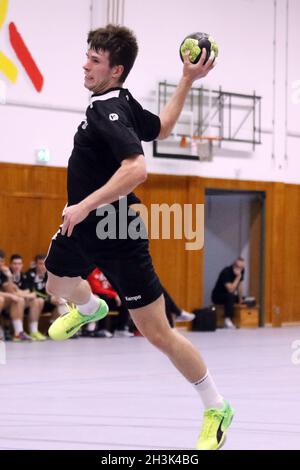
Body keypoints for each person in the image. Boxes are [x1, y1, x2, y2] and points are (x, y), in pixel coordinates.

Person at [45, 24, 234, 450]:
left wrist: (85, 204)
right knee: (55, 283)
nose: (85, 65)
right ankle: (91, 308)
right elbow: (163, 126)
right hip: (82, 226)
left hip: (115, 229)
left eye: (95, 60)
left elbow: (138, 169)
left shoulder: (107, 108)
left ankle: (216, 406)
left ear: (116, 70)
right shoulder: (121, 102)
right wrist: (186, 80)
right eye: (88, 56)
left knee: (158, 333)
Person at [86, 267, 133, 337]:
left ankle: (120, 329)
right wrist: (114, 295)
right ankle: (102, 329)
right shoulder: (92, 272)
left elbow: (116, 286)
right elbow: (96, 289)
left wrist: (117, 295)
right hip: (97, 297)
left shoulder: (109, 272)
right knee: (103, 300)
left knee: (124, 300)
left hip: (111, 297)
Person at [9, 254, 46, 341]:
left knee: (38, 300)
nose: (17, 266)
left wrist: (19, 293)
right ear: (10, 264)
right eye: (15, 263)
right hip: (9, 302)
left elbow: (32, 293)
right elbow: (11, 292)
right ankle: (18, 333)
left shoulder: (23, 275)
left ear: (22, 265)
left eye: (19, 264)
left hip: (19, 301)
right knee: (20, 300)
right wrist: (21, 293)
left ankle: (33, 331)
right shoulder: (7, 275)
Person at [211, 257, 245, 329]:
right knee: (230, 296)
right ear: (234, 266)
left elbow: (240, 285)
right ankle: (227, 319)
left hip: (230, 296)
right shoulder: (226, 272)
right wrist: (238, 277)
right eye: (238, 267)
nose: (240, 269)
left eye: (242, 268)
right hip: (218, 296)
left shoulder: (241, 271)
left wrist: (240, 299)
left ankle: (241, 321)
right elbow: (230, 290)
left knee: (246, 299)